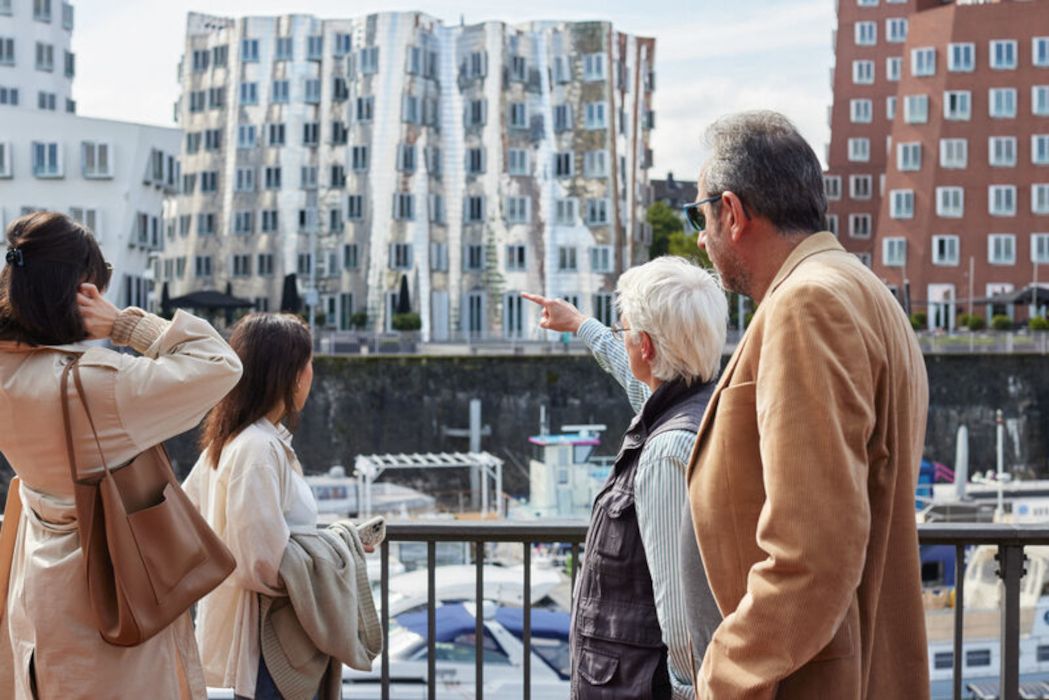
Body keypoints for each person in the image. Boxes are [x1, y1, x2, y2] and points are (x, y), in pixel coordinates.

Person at [684, 110, 929, 699]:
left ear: (734, 212)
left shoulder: (807, 303)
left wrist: (726, 673)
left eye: (701, 215)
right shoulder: (862, 288)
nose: (700, 236)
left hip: (812, 681)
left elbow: (812, 549)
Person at [0, 211, 243, 698]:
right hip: (111, 601)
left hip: (37, 596)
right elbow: (220, 365)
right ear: (82, 292)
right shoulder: (96, 384)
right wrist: (126, 324)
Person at [523, 254, 727, 700]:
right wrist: (581, 325)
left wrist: (691, 692)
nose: (623, 340)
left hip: (638, 685)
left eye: (625, 331)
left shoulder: (667, 450)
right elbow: (637, 379)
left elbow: (680, 612)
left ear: (647, 347)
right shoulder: (698, 405)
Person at [183, 313, 320, 699]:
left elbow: (191, 516)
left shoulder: (231, 441)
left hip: (245, 636)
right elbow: (263, 563)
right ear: (291, 373)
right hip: (264, 648)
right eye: (309, 364)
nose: (312, 374)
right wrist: (335, 552)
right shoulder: (258, 448)